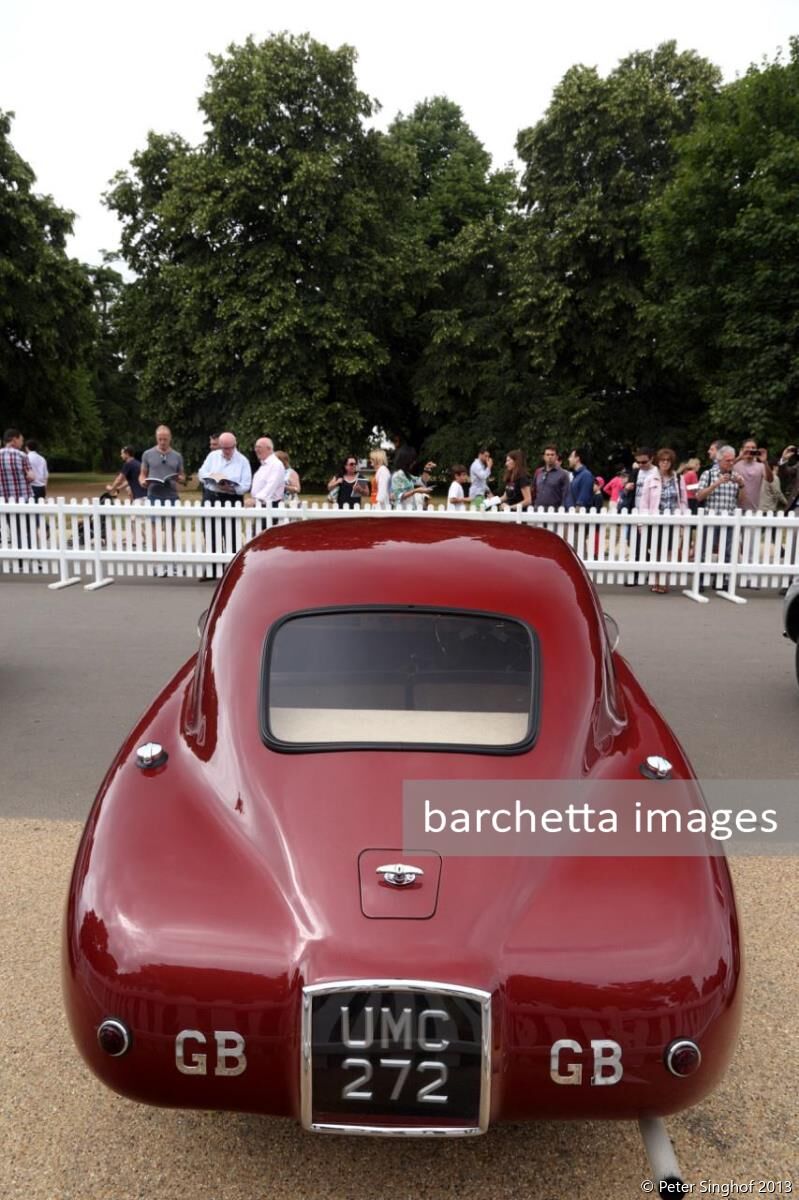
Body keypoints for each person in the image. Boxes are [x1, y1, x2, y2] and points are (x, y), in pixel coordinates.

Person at [638, 448, 690, 592]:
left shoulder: (678, 479)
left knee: (668, 552)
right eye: (662, 460)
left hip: (672, 521)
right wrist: (642, 522)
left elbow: (683, 501)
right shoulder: (650, 479)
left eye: (668, 460)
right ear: (658, 462)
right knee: (655, 551)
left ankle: (662, 581)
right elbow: (644, 502)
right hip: (655, 520)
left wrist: (682, 520)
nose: (665, 463)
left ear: (672, 463)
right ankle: (655, 581)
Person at [696, 445, 745, 590]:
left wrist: (742, 486)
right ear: (719, 460)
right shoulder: (708, 474)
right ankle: (700, 581)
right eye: (727, 460)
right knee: (704, 551)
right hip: (710, 519)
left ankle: (721, 580)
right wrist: (716, 484)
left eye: (732, 460)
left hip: (729, 519)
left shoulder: (736, 476)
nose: (731, 463)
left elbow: (741, 501)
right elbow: (699, 496)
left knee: (727, 553)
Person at [139, 426, 185, 503]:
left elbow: (182, 475)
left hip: (172, 496)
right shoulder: (147, 454)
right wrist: (142, 481)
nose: (162, 442)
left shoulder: (177, 456)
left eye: (165, 439)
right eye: (160, 439)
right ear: (156, 438)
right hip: (153, 496)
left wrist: (180, 478)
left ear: (170, 438)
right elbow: (142, 474)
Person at [734, 438, 772, 512]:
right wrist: (740, 457)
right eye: (747, 448)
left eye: (753, 448)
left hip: (754, 509)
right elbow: (726, 469)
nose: (750, 450)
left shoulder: (761, 466)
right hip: (736, 508)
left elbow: (770, 479)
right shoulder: (736, 465)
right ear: (742, 449)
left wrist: (765, 461)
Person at [390, 446, 434, 510]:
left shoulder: (406, 475)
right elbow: (399, 496)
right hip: (401, 511)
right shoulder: (397, 476)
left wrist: (426, 469)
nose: (414, 462)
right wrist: (416, 491)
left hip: (410, 509)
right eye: (412, 460)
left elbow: (421, 481)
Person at [248, 437, 286, 508]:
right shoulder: (264, 465)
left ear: (269, 449)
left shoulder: (276, 464)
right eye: (256, 447)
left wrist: (256, 500)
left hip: (270, 506)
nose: (256, 450)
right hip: (261, 504)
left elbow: (271, 486)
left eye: (259, 447)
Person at [534, 445, 570, 510]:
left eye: (552, 455)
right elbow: (533, 491)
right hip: (537, 510)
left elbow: (566, 496)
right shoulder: (539, 472)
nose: (550, 457)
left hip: (554, 511)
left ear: (556, 457)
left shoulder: (563, 474)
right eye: (547, 455)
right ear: (544, 457)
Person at [0, 429, 33, 500]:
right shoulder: (21, 455)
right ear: (14, 440)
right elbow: (31, 477)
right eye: (21, 440)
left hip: (3, 500)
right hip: (22, 498)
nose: (22, 443)